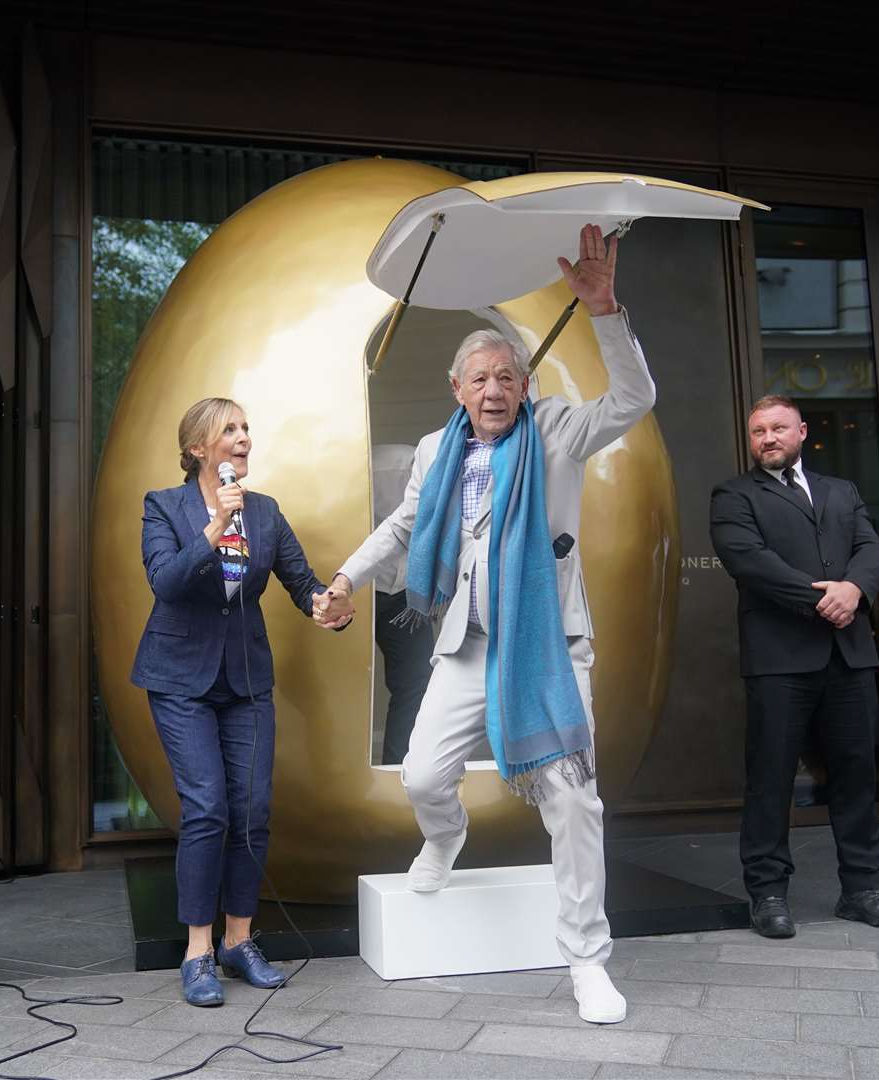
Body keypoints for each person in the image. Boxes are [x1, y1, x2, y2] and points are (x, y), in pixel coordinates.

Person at [318, 224, 647, 1025]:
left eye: (507, 375)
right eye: (479, 378)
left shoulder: (559, 432)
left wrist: (603, 310)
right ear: (456, 387)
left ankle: (587, 960)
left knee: (573, 805)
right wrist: (343, 578)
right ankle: (444, 839)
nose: (494, 389)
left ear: (524, 385)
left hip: (546, 652)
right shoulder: (436, 451)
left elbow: (634, 399)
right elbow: (401, 528)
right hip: (466, 646)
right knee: (426, 778)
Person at [131, 397, 348, 1007]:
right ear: (199, 448)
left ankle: (238, 940)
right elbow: (166, 583)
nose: (243, 438)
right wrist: (211, 529)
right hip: (179, 680)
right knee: (207, 809)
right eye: (230, 429)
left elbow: (304, 584)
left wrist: (328, 606)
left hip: (246, 681)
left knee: (251, 809)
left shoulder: (267, 512)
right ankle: (197, 952)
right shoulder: (164, 507)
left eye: (247, 428)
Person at [709, 394, 879, 940]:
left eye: (778, 428)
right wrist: (825, 598)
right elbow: (750, 562)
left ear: (802, 431)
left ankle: (865, 888)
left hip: (848, 654)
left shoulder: (841, 491)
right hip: (779, 659)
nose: (768, 438)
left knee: (855, 776)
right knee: (771, 779)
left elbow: (872, 549)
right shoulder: (734, 495)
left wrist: (855, 589)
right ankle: (769, 894)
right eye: (758, 431)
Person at [371, 443, 434, 766]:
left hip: (408, 594)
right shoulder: (381, 469)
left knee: (417, 679)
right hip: (356, 589)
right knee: (343, 681)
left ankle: (399, 768)